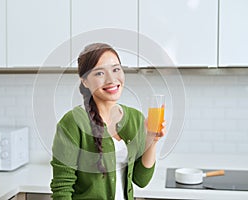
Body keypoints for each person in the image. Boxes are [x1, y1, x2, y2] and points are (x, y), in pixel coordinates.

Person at [50, 43, 166, 200]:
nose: (111, 79)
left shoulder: (135, 118)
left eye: (116, 69)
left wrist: (151, 140)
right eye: (99, 73)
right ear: (85, 81)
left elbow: (141, 180)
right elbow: (62, 190)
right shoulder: (73, 123)